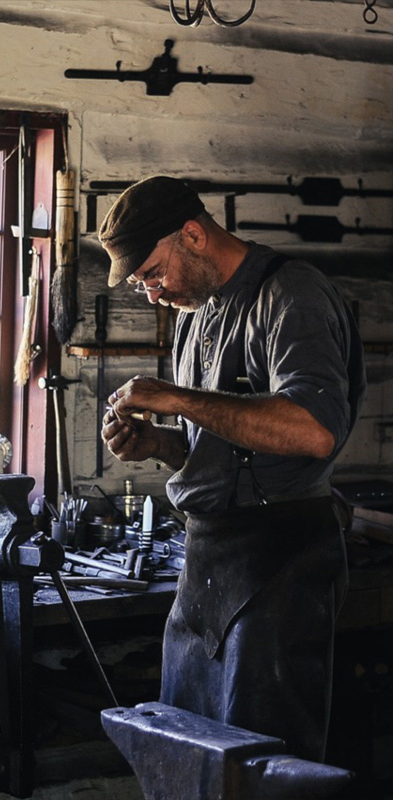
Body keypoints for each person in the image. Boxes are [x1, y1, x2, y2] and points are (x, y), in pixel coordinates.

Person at [98, 175, 365, 762]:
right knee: (188, 752)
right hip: (209, 563)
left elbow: (313, 430)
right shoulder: (196, 316)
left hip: (281, 560)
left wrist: (178, 397)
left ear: (192, 235)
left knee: (260, 764)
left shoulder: (290, 294)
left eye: (152, 273)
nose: (151, 294)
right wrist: (158, 443)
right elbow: (221, 447)